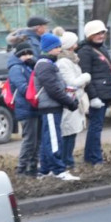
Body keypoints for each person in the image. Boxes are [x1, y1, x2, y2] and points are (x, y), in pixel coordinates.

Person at [33, 33, 81, 180]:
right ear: (49, 49)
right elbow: (53, 89)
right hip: (50, 107)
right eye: (57, 47)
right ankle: (59, 170)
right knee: (53, 139)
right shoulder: (45, 65)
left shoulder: (46, 64)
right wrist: (70, 102)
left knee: (48, 138)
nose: (60, 49)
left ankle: (46, 170)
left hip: (51, 107)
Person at [77, 20, 111, 166]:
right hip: (97, 95)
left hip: (104, 93)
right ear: (89, 35)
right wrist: (93, 97)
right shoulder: (85, 51)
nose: (101, 36)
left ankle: (91, 157)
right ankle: (94, 158)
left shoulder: (102, 48)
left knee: (97, 127)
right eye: (97, 33)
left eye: (102, 33)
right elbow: (86, 76)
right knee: (95, 127)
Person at [56, 32, 90, 171]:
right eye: (74, 43)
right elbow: (71, 82)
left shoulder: (71, 59)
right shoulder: (64, 62)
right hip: (70, 102)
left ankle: (68, 160)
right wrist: (86, 76)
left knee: (72, 132)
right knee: (68, 133)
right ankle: (66, 162)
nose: (77, 45)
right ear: (70, 46)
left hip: (75, 100)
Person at [7, 41, 40, 177]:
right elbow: (23, 87)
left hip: (34, 108)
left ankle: (32, 168)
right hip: (26, 109)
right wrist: (37, 94)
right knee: (29, 140)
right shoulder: (16, 68)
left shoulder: (29, 66)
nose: (28, 56)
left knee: (36, 141)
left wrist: (34, 63)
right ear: (18, 55)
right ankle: (21, 170)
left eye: (30, 53)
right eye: (24, 54)